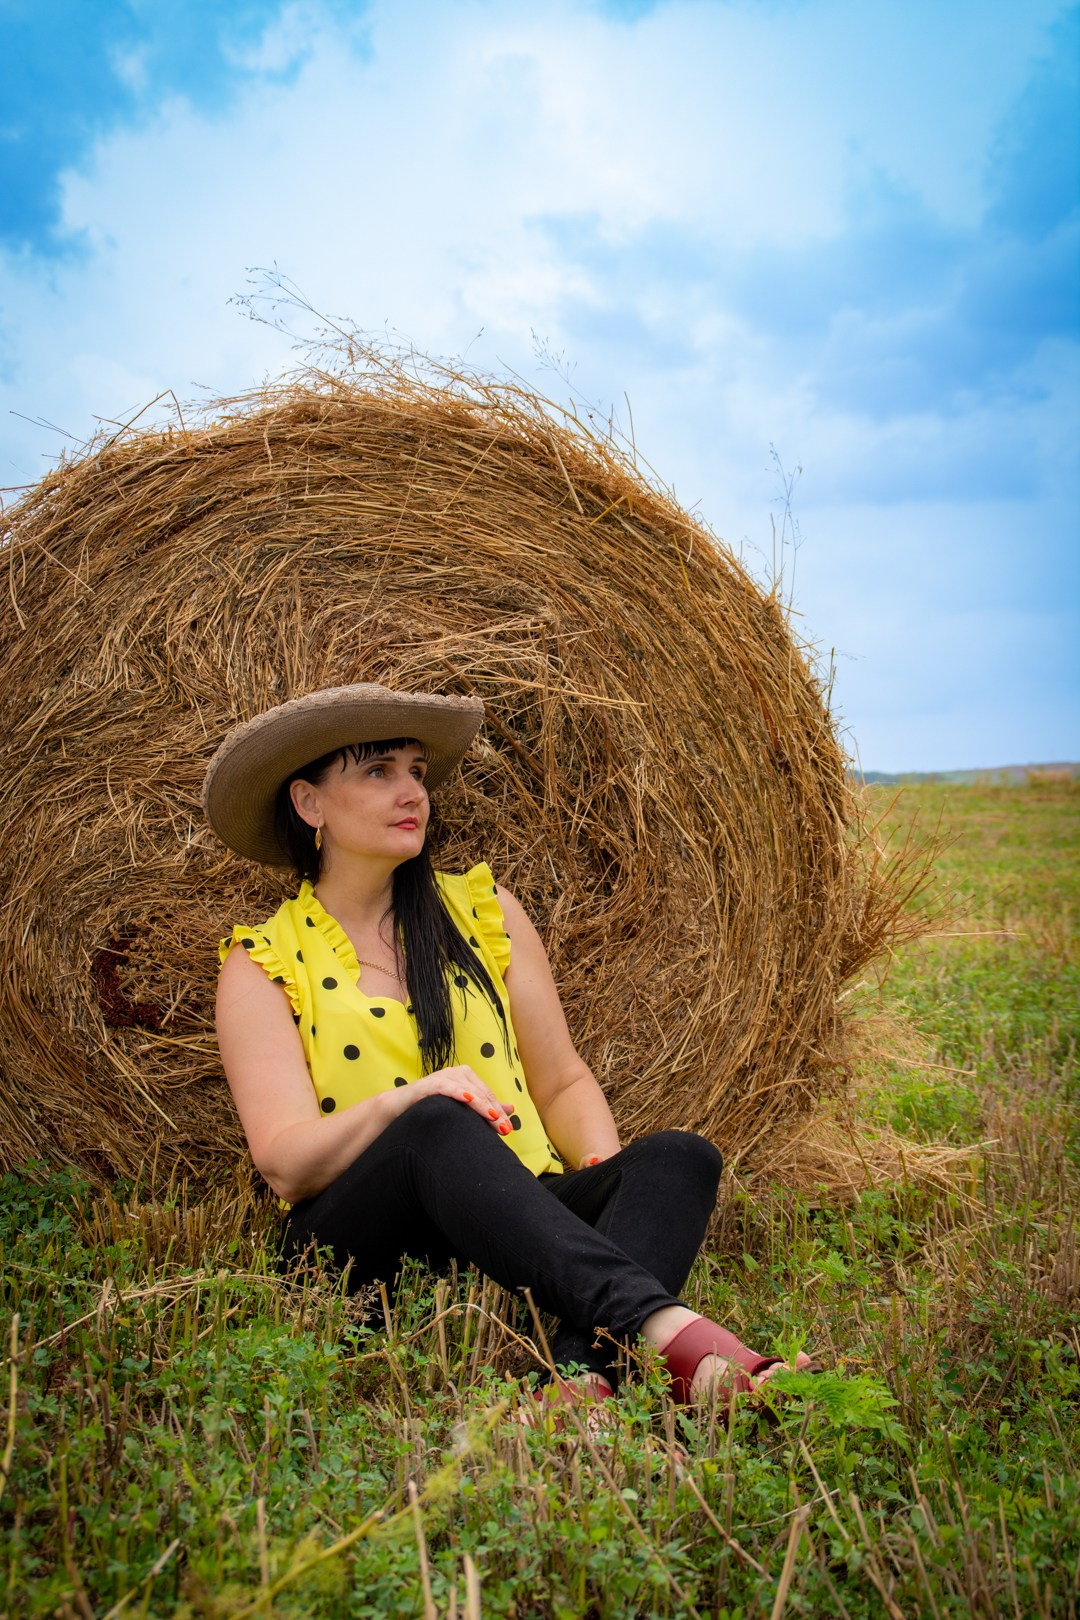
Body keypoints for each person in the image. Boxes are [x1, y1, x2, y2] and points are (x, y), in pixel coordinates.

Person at [204, 683, 814, 1416]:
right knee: (436, 1122)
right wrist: (410, 1101)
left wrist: (602, 1179)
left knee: (679, 1157)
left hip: (509, 1210)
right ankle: (680, 1341)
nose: (411, 793)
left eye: (416, 772)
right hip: (359, 1246)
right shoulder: (264, 960)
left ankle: (575, 1384)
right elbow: (286, 1165)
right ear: (309, 804)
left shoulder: (484, 912)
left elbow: (560, 1082)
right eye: (378, 771)